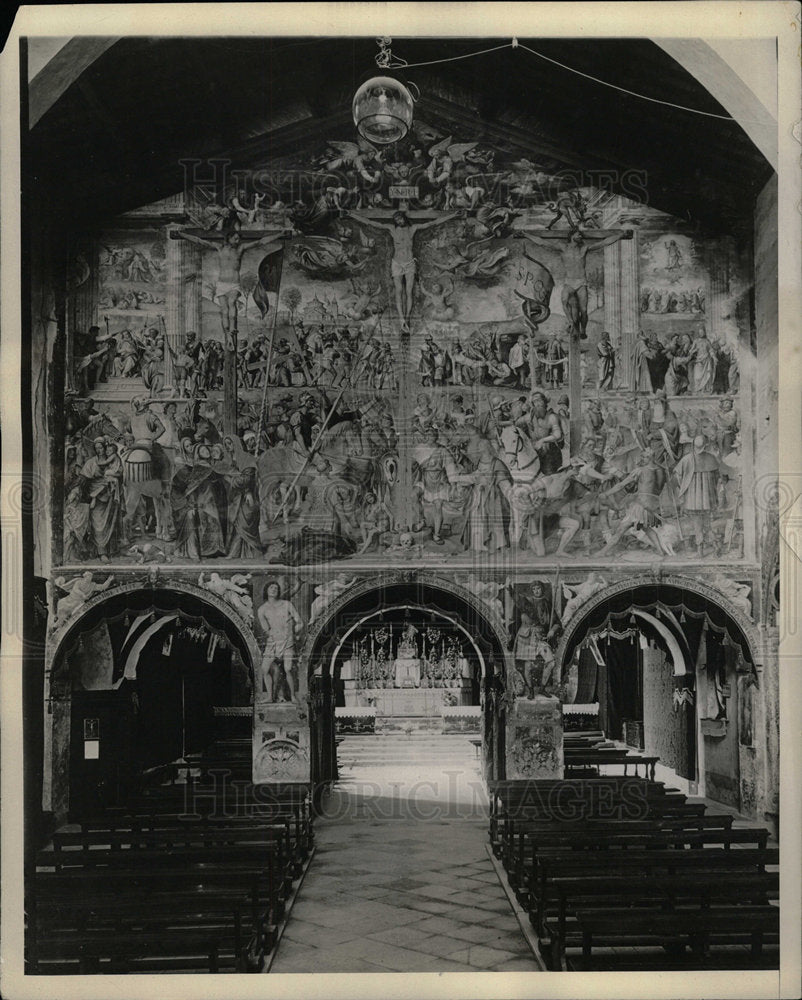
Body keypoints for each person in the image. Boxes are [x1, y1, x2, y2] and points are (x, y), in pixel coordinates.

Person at [349, 209, 457, 332]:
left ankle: (407, 317)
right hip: (397, 263)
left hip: (410, 262)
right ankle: (402, 319)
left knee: (409, 291)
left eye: (400, 218)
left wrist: (452, 215)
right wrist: (352, 215)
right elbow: (371, 223)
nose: (399, 221)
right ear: (394, 221)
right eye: (396, 220)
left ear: (404, 218)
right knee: (399, 291)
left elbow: (432, 223)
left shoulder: (413, 229)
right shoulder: (392, 229)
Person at [256, 581, 304, 703]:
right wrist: (271, 636)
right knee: (264, 669)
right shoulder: (262, 609)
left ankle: (293, 696)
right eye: (271, 587)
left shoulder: (287, 604)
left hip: (288, 641)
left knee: (288, 669)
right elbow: (266, 629)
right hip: (272, 643)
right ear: (266, 590)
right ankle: (270, 697)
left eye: (276, 588)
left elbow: (300, 622)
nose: (273, 589)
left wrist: (293, 634)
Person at [674, 434, 720, 556]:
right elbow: (717, 478)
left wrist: (683, 486)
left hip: (693, 500)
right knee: (707, 525)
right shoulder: (711, 458)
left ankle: (700, 551)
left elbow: (677, 475)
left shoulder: (687, 459)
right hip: (707, 500)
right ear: (706, 445)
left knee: (697, 525)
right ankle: (716, 545)